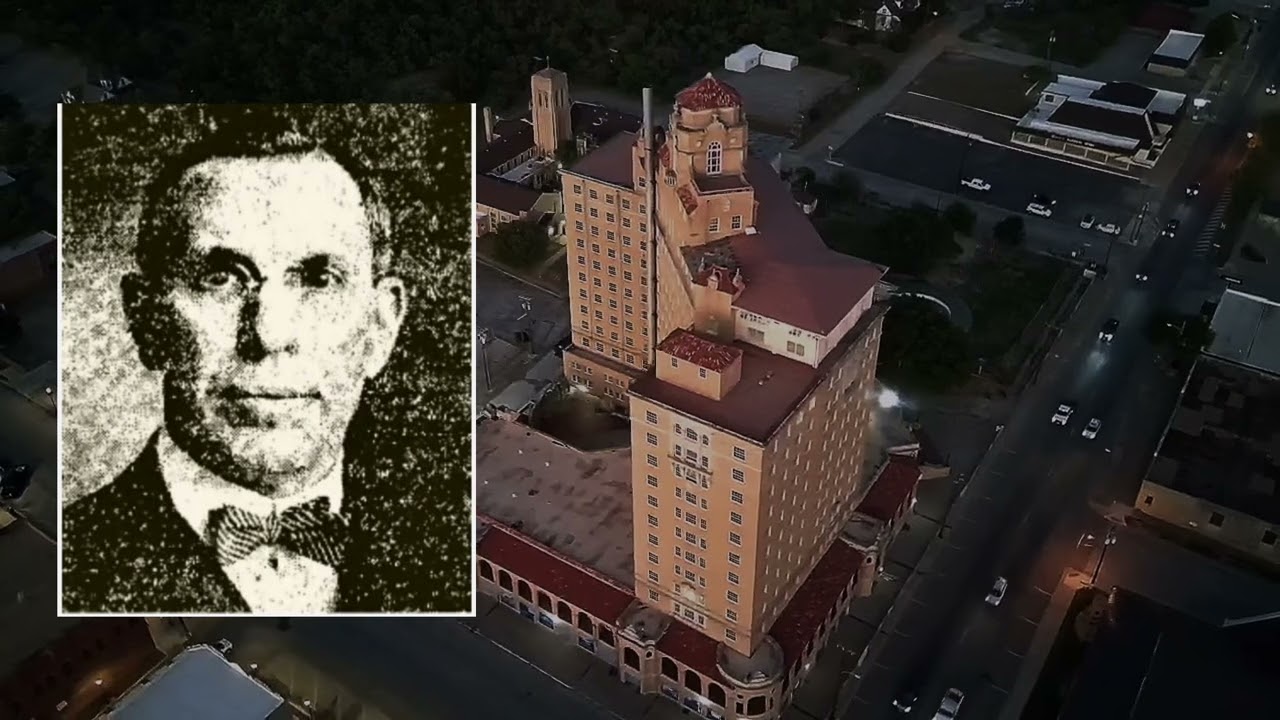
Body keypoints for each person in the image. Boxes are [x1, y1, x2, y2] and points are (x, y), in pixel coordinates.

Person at [62, 118, 411, 614]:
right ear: (146, 319)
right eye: (220, 278)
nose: (269, 336)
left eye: (318, 280)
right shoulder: (79, 561)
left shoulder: (433, 536)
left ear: (380, 326)